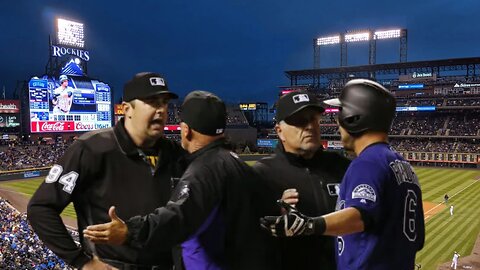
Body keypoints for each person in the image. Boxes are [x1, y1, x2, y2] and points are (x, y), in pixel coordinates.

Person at [83, 91, 271, 269]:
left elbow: (176, 219)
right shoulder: (238, 165)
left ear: (186, 130)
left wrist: (129, 231)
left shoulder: (204, 169)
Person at [261, 79, 425, 270]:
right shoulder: (403, 166)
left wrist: (309, 225)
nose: (337, 122)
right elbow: (418, 240)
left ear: (353, 118)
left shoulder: (367, 163)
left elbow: (360, 215)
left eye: (340, 113)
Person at [27, 72, 184, 269]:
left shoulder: (174, 152)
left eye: (164, 102)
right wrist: (81, 262)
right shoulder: (91, 148)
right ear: (128, 109)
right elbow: (40, 208)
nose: (161, 110)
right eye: (152, 102)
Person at [253, 91, 350, 269]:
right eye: (299, 121)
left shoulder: (343, 167)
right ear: (279, 131)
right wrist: (273, 211)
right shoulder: (262, 175)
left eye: (313, 119)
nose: (309, 126)